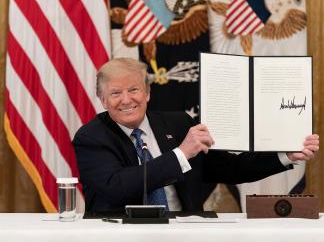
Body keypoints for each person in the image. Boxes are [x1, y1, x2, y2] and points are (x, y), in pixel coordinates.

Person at [72, 58, 319, 213]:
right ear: (103, 100)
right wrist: (181, 154)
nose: (126, 100)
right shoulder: (91, 137)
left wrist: (285, 155)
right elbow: (118, 187)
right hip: (120, 235)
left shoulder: (178, 123)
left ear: (147, 93)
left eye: (134, 89)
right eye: (116, 93)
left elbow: (230, 168)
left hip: (185, 233)